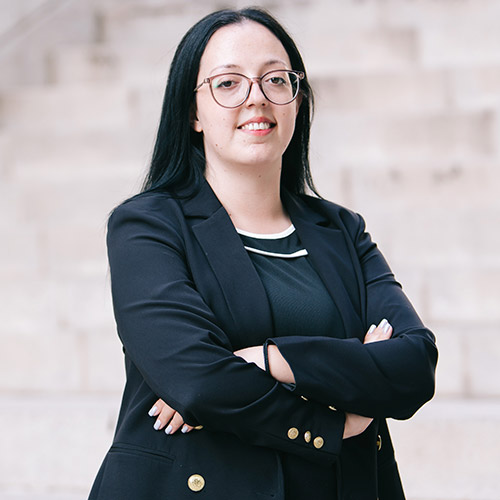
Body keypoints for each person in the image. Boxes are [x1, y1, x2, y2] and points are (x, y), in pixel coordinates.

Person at [88, 7, 438, 500]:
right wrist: (335, 420)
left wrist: (270, 359)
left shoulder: (341, 230)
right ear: (192, 113)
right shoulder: (148, 226)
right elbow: (198, 382)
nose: (257, 98)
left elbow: (413, 365)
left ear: (298, 100)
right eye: (228, 84)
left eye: (275, 79)